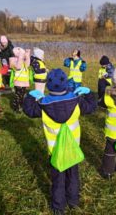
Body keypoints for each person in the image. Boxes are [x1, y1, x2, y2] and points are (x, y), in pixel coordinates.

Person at [23, 68, 96, 215]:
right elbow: (92, 107)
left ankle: (58, 207)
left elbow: (29, 110)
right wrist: (89, 93)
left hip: (54, 150)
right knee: (73, 176)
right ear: (66, 85)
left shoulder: (43, 105)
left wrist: (30, 96)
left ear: (48, 86)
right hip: (72, 149)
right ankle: (73, 201)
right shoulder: (77, 101)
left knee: (58, 179)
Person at [10, 47, 30, 112]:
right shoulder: (12, 60)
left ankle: (21, 107)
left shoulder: (22, 60)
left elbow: (27, 64)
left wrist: (27, 55)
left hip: (24, 82)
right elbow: (18, 66)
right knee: (18, 96)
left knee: (22, 96)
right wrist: (21, 56)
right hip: (18, 82)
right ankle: (16, 108)